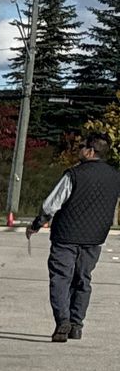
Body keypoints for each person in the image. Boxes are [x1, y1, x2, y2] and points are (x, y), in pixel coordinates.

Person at [27, 139, 120, 341]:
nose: (79, 150)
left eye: (82, 147)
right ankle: (77, 324)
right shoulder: (115, 176)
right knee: (83, 279)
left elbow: (52, 203)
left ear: (90, 151)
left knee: (61, 277)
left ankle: (63, 321)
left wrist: (37, 224)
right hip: (95, 237)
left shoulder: (74, 174)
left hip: (66, 236)